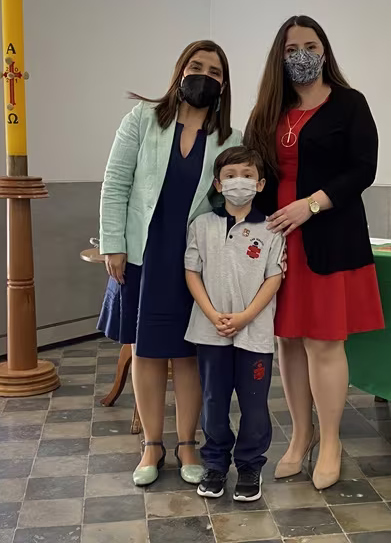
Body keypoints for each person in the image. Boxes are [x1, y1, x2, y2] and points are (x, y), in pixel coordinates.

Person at [245, 16, 385, 490]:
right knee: (288, 340)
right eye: (291, 49)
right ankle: (300, 436)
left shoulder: (349, 103)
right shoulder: (268, 109)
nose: (301, 55)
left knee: (324, 342)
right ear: (278, 57)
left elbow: (363, 168)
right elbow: (252, 169)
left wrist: (311, 204)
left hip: (329, 235)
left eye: (310, 45)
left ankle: (330, 442)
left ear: (325, 51)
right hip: (277, 240)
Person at [98, 40, 242, 487]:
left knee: (187, 354)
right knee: (145, 350)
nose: (204, 76)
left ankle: (186, 445)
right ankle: (151, 446)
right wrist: (113, 244)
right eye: (196, 67)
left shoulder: (229, 139)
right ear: (180, 71)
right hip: (145, 252)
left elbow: (229, 201)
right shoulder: (142, 120)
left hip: (193, 262)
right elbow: (116, 183)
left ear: (223, 85)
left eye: (214, 72)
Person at [184, 147, 284, 502]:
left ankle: (250, 465)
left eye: (246, 175)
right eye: (229, 175)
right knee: (213, 401)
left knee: (254, 405)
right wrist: (213, 314)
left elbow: (274, 277)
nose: (238, 181)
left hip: (254, 333)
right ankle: (214, 464)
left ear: (260, 184)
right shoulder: (201, 225)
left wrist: (245, 317)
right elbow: (192, 272)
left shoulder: (271, 228)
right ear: (217, 184)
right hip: (210, 331)